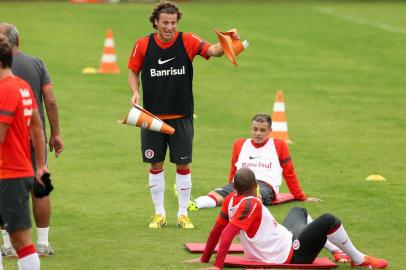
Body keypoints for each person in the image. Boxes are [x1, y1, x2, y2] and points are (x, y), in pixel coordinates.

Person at [127, 0, 238, 229]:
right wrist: (135, 93)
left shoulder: (188, 40)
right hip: (153, 118)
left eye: (173, 23)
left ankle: (182, 214)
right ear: (156, 21)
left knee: (183, 165)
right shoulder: (143, 44)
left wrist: (229, 40)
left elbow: (214, 51)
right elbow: (133, 71)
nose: (169, 27)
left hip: (182, 115)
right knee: (155, 165)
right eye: (165, 22)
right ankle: (159, 214)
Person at [185, 168, 388, 270]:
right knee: (328, 220)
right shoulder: (252, 204)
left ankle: (337, 251)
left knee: (299, 211)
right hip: (292, 254)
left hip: (287, 238)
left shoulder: (230, 199)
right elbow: (227, 234)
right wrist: (216, 266)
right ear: (256, 185)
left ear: (234, 187)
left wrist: (205, 258)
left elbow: (216, 231)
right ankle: (359, 259)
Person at [0, 23, 63, 256]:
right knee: (41, 186)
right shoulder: (36, 63)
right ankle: (43, 243)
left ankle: (7, 244)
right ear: (19, 41)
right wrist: (55, 133)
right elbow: (50, 99)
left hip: (7, 140)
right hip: (35, 137)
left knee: (5, 188)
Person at [190, 113, 320, 211]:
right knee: (218, 194)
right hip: (240, 182)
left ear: (270, 131)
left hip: (264, 186)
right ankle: (195, 204)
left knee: (252, 196)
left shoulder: (278, 145)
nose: (258, 133)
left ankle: (240, 210)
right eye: (255, 129)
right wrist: (231, 185)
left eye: (262, 130)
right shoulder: (240, 144)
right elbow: (234, 170)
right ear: (251, 129)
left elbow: (289, 172)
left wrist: (300, 196)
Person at [0, 33, 48, 270]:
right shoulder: (22, 87)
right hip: (14, 171)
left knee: (20, 240)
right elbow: (38, 129)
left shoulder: (6, 90)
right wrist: (40, 166)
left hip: (8, 174)